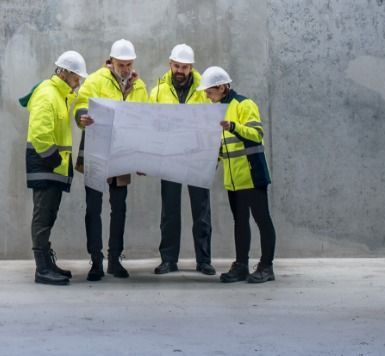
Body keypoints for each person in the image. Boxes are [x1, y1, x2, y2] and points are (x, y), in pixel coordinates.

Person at [73, 39, 148, 281]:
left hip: (122, 151)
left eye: (128, 64)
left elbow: (144, 120)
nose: (125, 69)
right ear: (111, 61)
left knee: (119, 208)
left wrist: (141, 156)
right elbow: (81, 103)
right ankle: (96, 261)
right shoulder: (96, 80)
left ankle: (114, 260)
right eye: (121, 64)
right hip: (96, 149)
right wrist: (83, 116)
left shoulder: (139, 87)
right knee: (93, 208)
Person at [198, 66, 276, 284]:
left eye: (210, 91)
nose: (207, 96)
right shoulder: (218, 109)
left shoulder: (244, 104)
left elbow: (256, 134)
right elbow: (224, 146)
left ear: (222, 87)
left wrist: (233, 126)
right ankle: (241, 265)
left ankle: (266, 266)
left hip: (252, 173)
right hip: (233, 179)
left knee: (262, 220)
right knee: (240, 222)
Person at [151, 43, 216, 276]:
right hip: (169, 157)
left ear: (191, 67)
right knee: (169, 211)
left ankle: (204, 261)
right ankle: (168, 260)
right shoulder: (157, 91)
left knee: (201, 211)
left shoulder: (205, 89)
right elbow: (150, 125)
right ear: (170, 64)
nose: (180, 71)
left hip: (197, 157)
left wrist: (212, 154)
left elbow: (214, 122)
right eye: (177, 66)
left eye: (185, 67)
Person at [24, 50, 88, 286]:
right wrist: (52, 159)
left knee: (49, 215)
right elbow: (40, 133)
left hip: (53, 167)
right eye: (76, 77)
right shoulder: (47, 94)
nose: (78, 82)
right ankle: (42, 269)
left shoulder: (60, 95)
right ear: (64, 73)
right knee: (42, 217)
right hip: (46, 166)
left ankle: (47, 263)